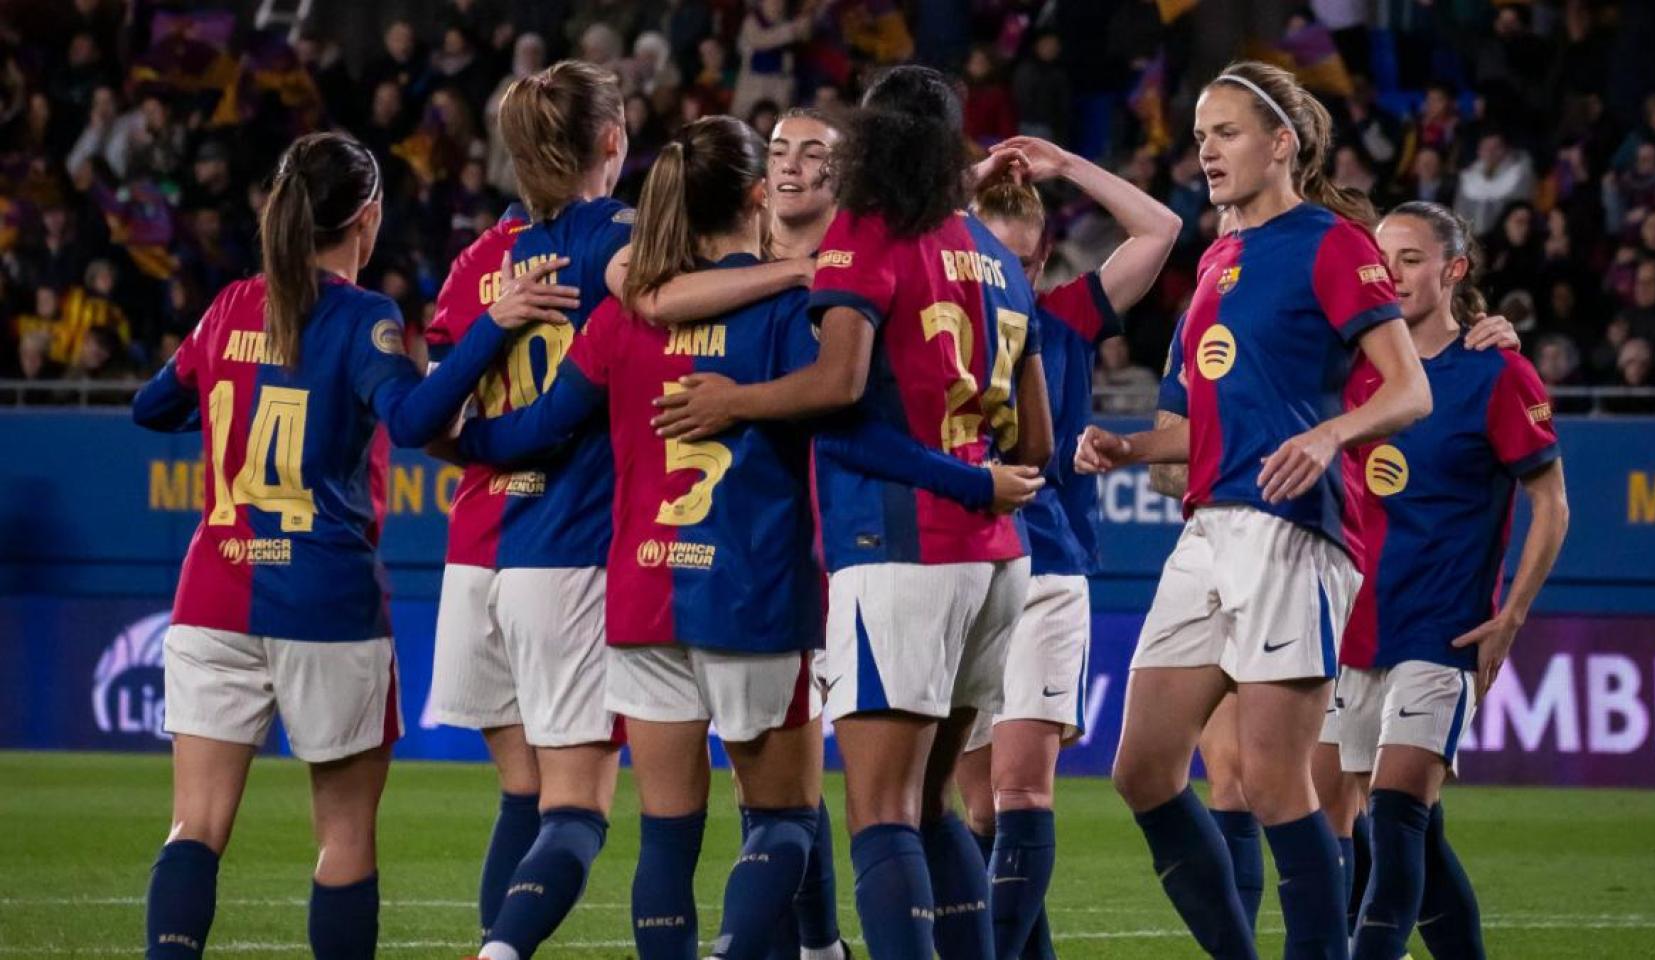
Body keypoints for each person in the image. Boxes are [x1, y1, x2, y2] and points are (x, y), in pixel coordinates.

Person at [458, 115, 1038, 960]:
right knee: (785, 820)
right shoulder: (793, 314)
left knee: (666, 837)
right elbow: (846, 415)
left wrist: (448, 433)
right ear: (757, 193)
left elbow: (533, 429)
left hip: (646, 589)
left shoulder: (628, 316)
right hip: (755, 592)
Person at [129, 131, 569, 960]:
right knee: (343, 834)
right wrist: (495, 325)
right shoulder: (364, 317)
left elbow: (153, 407)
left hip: (213, 593)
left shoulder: (230, 305)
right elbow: (411, 420)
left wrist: (239, 392)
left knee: (195, 826)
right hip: (324, 599)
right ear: (366, 219)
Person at [651, 65, 1053, 960]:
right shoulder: (992, 252)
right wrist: (978, 479)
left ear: (870, 142)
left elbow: (837, 388)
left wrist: (735, 403)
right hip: (998, 557)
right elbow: (1038, 443)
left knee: (881, 813)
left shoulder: (869, 235)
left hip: (901, 547)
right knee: (936, 799)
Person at [1075, 60, 1432, 960]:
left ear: (1282, 144)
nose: (1207, 150)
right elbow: (1200, 422)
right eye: (1200, 136)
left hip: (1294, 528)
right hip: (1207, 529)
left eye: (1226, 132)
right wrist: (1124, 443)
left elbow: (1408, 390)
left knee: (1275, 784)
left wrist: (1329, 436)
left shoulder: (1332, 243)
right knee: (1143, 770)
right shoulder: (1218, 260)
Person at [951, 136, 1182, 960]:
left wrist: (1072, 167)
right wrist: (971, 177)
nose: (1007, 270)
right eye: (989, 251)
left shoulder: (1067, 318)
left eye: (1022, 256)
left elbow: (1159, 230)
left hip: (1045, 568)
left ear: (1044, 254)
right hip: (964, 566)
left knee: (1019, 792)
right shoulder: (940, 319)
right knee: (976, 810)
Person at [422, 60, 633, 960]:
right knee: (579, 804)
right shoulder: (626, 240)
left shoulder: (479, 261)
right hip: (572, 550)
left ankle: (495, 943)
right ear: (613, 142)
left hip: (475, 557)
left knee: (523, 791)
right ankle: (498, 954)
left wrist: (485, 448)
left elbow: (434, 416)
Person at [1322, 201, 1569, 960]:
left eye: (1410, 259)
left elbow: (1550, 504)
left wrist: (1513, 615)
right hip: (1356, 628)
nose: (1391, 274)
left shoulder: (1496, 372)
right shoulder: (1357, 367)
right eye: (1383, 258)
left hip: (1443, 628)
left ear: (1453, 270)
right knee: (1393, 837)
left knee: (1396, 819)